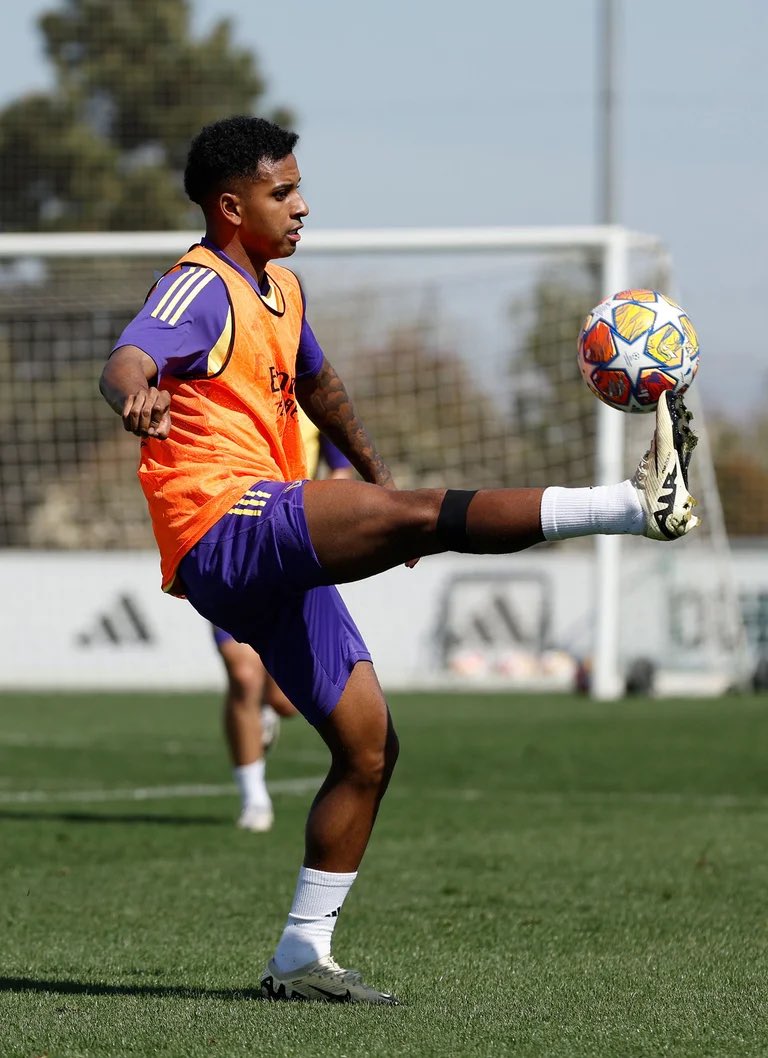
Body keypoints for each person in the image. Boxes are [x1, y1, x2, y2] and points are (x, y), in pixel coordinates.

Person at [99, 115, 699, 1005]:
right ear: (231, 206)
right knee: (426, 516)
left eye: (298, 187)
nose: (302, 206)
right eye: (282, 192)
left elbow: (318, 385)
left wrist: (373, 474)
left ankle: (303, 954)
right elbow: (130, 354)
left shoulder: (282, 290)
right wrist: (135, 395)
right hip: (220, 522)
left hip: (263, 532)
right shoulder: (201, 285)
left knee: (369, 748)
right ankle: (626, 504)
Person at [215, 414, 353, 834]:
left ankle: (265, 712)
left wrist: (325, 506)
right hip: (229, 543)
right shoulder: (230, 398)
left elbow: (342, 471)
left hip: (289, 548)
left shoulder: (310, 404)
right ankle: (254, 797)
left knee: (285, 702)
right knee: (242, 674)